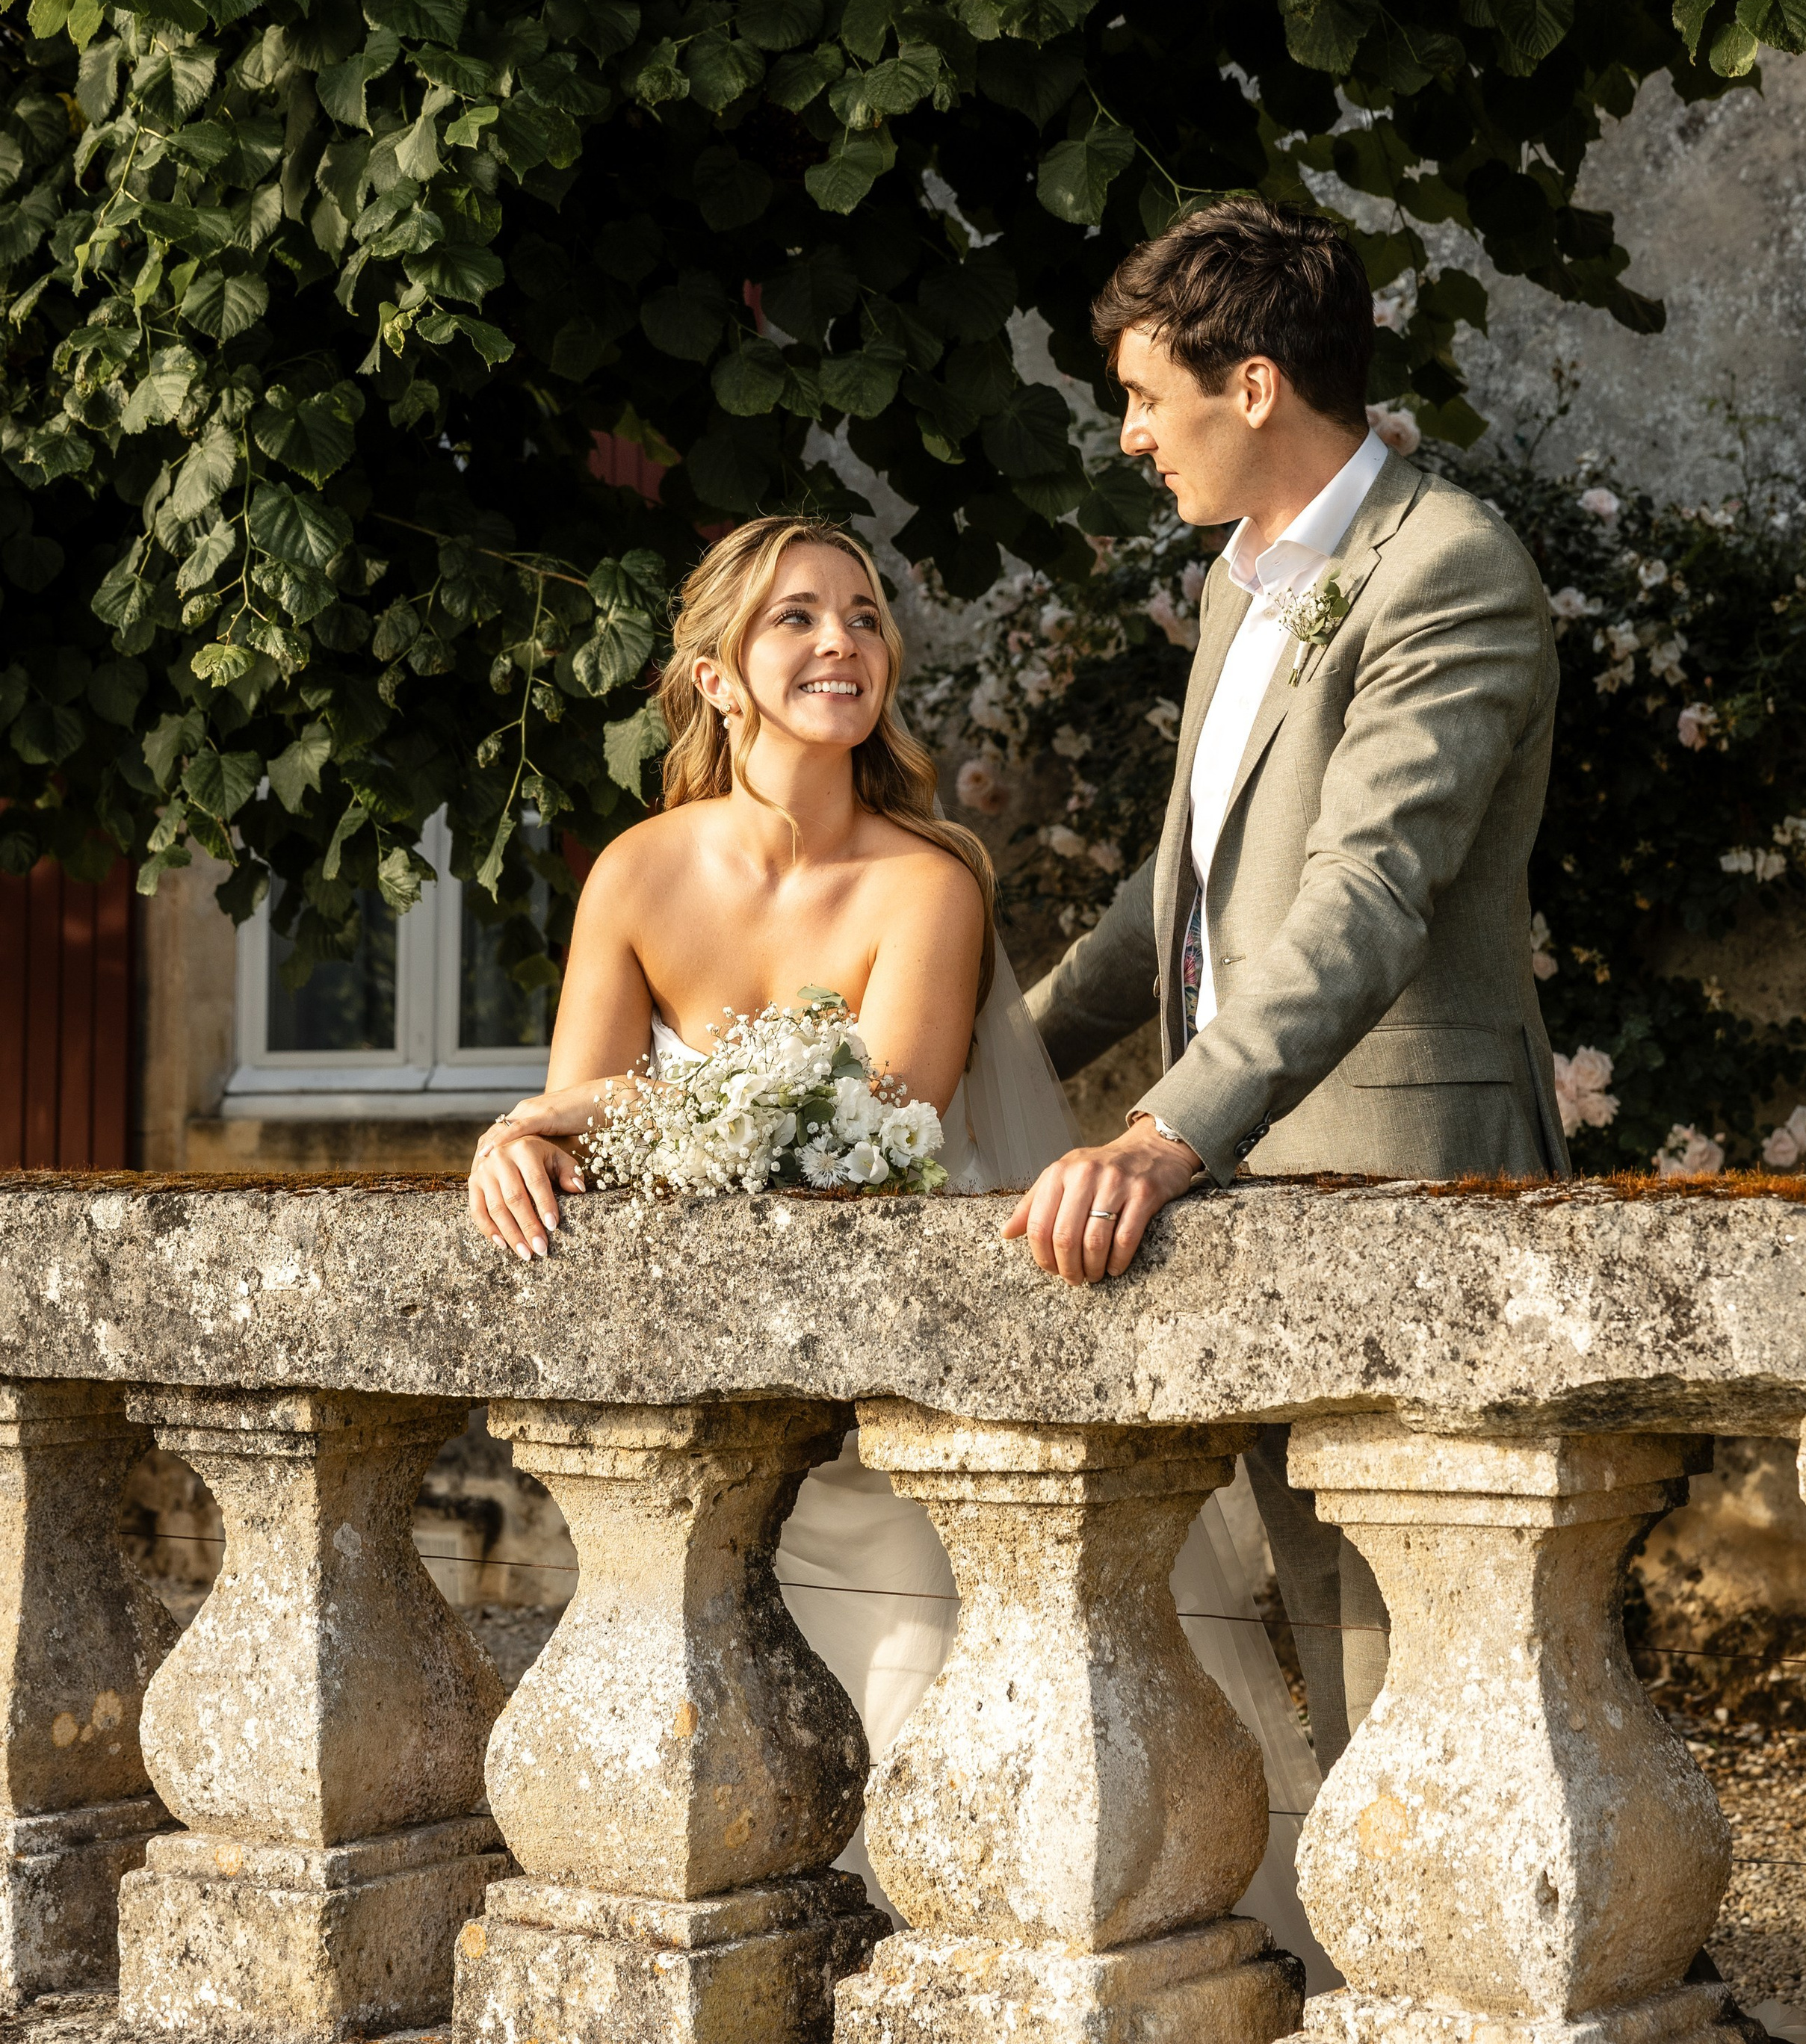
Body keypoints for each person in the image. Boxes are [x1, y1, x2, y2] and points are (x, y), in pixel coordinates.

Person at [464, 514, 1327, 1971]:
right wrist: (523, 1142)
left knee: (949, 1735)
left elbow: (878, 1120)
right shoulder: (633, 873)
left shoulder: (930, 878)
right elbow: (585, 1141)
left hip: (916, 1387)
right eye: (798, 618)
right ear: (716, 673)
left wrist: (581, 1105)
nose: (842, 645)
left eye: (864, 618)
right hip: (731, 1386)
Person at [1010, 196, 1568, 1774]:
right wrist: (998, 1054)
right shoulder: (1234, 584)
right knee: (1329, 1645)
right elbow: (1173, 892)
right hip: (1255, 1176)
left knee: (1438, 1659)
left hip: (1403, 1167)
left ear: (1249, 384)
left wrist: (1160, 1131)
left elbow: (1365, 893)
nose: (1127, 435)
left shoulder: (1441, 566)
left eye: (1140, 393)